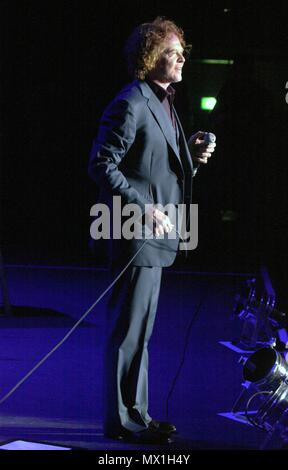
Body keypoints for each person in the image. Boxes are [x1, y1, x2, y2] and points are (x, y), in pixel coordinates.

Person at [88, 17, 215, 444]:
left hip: (156, 240)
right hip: (134, 235)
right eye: (172, 50)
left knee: (140, 333)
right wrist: (144, 209)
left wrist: (192, 156)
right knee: (128, 334)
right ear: (149, 56)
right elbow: (101, 164)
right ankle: (122, 422)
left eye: (182, 50)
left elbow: (157, 170)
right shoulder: (133, 101)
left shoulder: (164, 103)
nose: (182, 57)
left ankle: (136, 415)